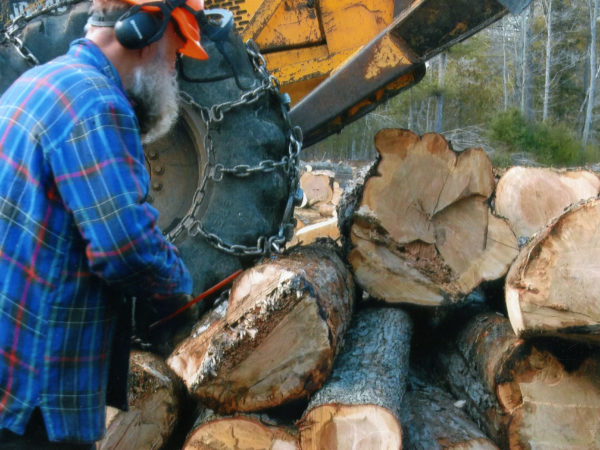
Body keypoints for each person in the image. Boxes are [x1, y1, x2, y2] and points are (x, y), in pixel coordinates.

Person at [0, 0, 209, 446]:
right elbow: (124, 244)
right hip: (39, 390)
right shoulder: (96, 103)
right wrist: (177, 300)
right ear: (143, 31)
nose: (173, 69)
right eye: (175, 53)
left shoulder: (34, 82)